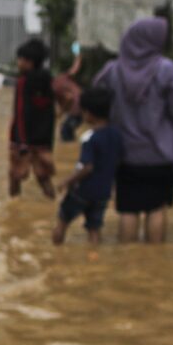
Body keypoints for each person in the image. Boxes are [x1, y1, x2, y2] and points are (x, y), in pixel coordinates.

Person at [91, 16, 173, 244]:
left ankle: (129, 264)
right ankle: (152, 264)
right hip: (161, 153)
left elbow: (94, 101)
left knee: (128, 209)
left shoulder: (112, 70)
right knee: (156, 208)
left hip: (124, 154)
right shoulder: (168, 70)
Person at [52, 86, 120, 246]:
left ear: (88, 113)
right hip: (103, 193)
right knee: (94, 229)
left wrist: (67, 181)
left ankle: (56, 254)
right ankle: (94, 257)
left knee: (62, 221)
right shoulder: (117, 135)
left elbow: (87, 167)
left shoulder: (90, 138)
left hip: (82, 191)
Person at [7, 36, 58, 199]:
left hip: (22, 139)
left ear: (29, 62)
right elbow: (53, 112)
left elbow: (21, 112)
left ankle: (13, 207)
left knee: (15, 175)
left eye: (21, 59)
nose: (18, 62)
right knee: (44, 177)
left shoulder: (23, 82)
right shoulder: (48, 80)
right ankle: (53, 203)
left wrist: (22, 143)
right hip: (43, 140)